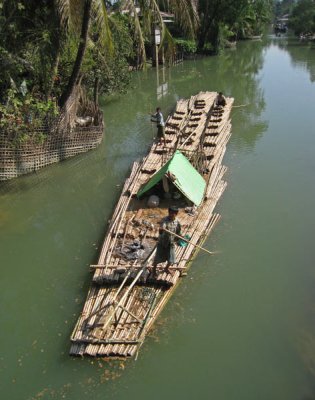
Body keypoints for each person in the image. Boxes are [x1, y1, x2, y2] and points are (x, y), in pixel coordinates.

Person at [151, 206, 181, 276]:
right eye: (170, 213)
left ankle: (166, 268)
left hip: (171, 243)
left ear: (176, 214)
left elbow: (178, 231)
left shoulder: (177, 222)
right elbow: (162, 228)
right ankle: (153, 270)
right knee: (158, 258)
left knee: (171, 258)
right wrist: (162, 229)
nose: (171, 215)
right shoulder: (164, 220)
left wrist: (179, 237)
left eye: (173, 213)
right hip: (162, 242)